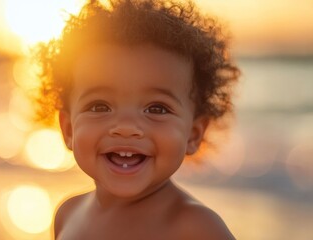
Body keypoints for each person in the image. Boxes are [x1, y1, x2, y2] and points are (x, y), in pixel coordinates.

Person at [35, 0, 239, 239]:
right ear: (68, 129)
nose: (126, 127)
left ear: (193, 134)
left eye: (157, 109)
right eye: (100, 106)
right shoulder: (68, 214)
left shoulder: (196, 229)